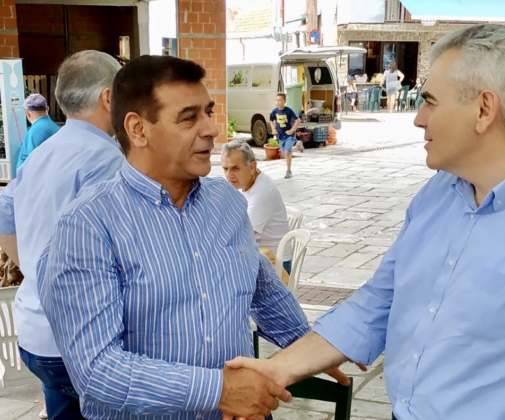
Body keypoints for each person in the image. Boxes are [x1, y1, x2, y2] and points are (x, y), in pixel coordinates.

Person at [228, 24, 505, 419]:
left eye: (430, 101)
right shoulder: (439, 195)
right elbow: (378, 303)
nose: (419, 118)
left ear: (484, 108)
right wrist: (276, 370)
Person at [36, 55, 325, 420]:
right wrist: (219, 390)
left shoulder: (226, 202)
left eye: (209, 112)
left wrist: (306, 343)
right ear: (138, 129)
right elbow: (97, 371)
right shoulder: (89, 225)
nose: (211, 129)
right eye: (189, 118)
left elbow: (259, 283)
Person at [0, 50, 124, 420]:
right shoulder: (106, 159)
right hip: (83, 341)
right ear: (108, 97)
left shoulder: (42, 152)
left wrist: (35, 270)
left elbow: (4, 216)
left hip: (35, 332)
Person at [221, 140, 291, 272]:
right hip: (260, 258)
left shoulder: (262, 192)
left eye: (235, 168)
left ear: (252, 167)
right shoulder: (249, 183)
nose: (229, 175)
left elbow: (240, 237)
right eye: (225, 169)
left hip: (276, 267)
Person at [16, 93, 59, 170]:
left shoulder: (34, 132)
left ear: (27, 113)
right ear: (47, 109)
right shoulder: (55, 127)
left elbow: (29, 163)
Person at [269, 93, 300, 179]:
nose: (278, 102)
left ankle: (289, 171)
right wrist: (273, 129)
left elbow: (298, 120)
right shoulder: (274, 111)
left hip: (289, 136)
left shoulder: (288, 111)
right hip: (280, 136)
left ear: (284, 101)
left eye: (280, 100)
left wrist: (292, 130)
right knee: (284, 153)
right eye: (277, 100)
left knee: (287, 152)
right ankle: (297, 146)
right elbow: (271, 120)